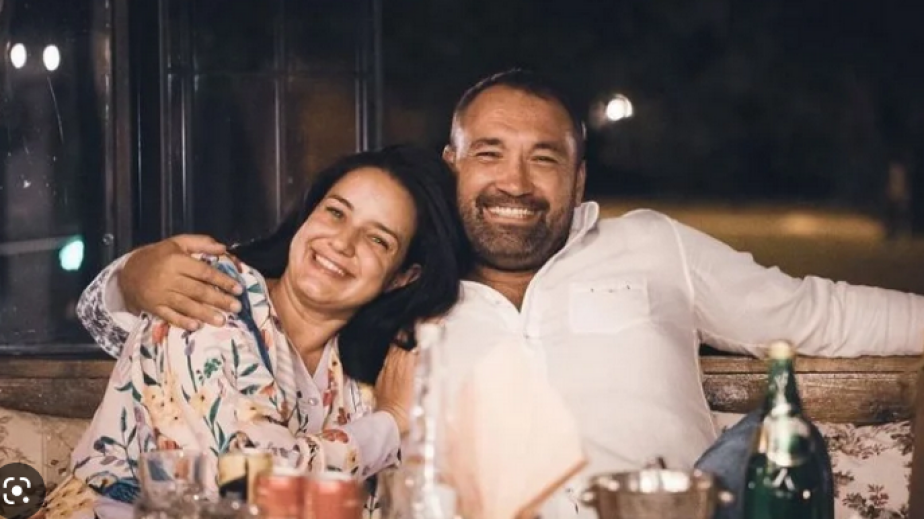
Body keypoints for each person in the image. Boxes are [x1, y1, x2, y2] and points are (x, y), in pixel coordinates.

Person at [75, 70, 924, 518]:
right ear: (453, 165)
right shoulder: (404, 305)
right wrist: (131, 278)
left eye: (543, 158)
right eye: (489, 152)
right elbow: (255, 350)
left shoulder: (653, 244)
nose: (514, 181)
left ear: (578, 177)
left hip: (669, 510)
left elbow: (821, 312)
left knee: (761, 445)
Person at [41, 145, 470, 519]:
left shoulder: (361, 378)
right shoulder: (213, 292)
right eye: (335, 212)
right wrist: (391, 424)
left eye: (378, 240)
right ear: (308, 215)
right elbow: (248, 485)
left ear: (403, 277)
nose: (342, 242)